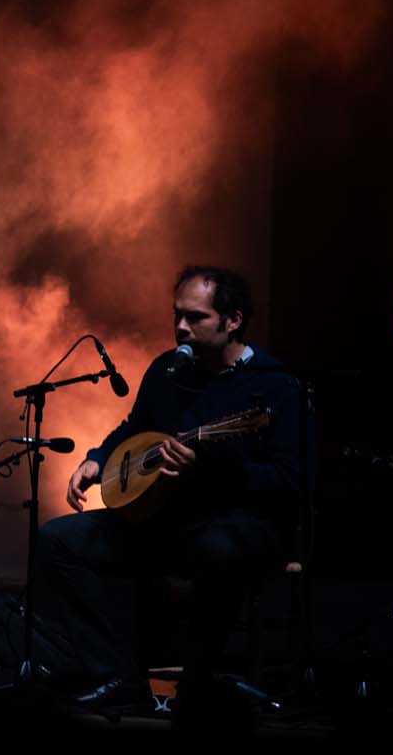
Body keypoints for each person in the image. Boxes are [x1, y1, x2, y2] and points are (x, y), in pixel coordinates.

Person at [36, 265, 308, 715]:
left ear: (233, 320)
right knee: (57, 542)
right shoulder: (167, 369)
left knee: (215, 549)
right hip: (164, 520)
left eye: (196, 317)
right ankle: (115, 675)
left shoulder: (274, 387)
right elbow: (136, 428)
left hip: (240, 524)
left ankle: (197, 689)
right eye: (178, 315)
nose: (181, 327)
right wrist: (99, 459)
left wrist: (213, 470)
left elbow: (289, 482)